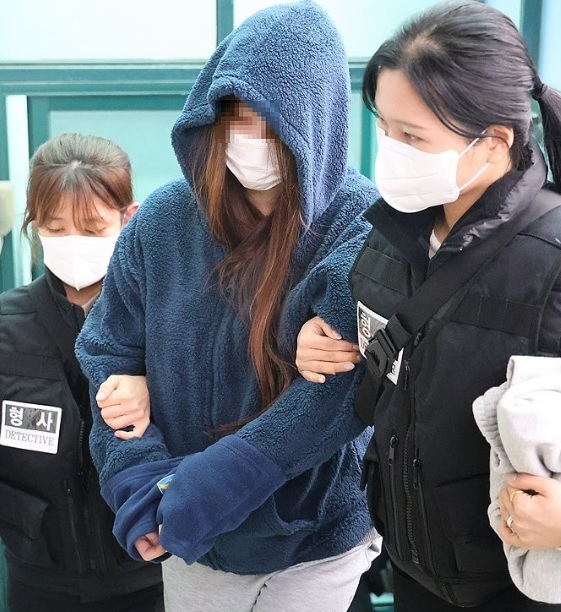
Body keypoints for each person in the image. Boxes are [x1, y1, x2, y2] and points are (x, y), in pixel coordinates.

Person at [294, 1, 561, 611]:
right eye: (384, 127)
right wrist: (314, 342)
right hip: (421, 571)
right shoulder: (391, 237)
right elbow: (393, 357)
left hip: (535, 589)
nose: (390, 151)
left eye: (412, 137)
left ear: (492, 144)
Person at [75, 2, 381, 611]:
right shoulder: (163, 220)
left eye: (271, 123)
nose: (249, 141)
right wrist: (138, 477)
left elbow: (336, 395)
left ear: (314, 122)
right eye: (235, 118)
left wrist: (209, 487)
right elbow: (108, 351)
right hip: (189, 527)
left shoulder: (361, 224)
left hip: (312, 537)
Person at [0, 133, 163, 611]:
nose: (74, 244)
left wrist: (153, 390)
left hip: (148, 574)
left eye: (92, 229)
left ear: (128, 219)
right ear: (34, 225)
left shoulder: (162, 322)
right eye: (56, 228)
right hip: (38, 576)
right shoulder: (7, 326)